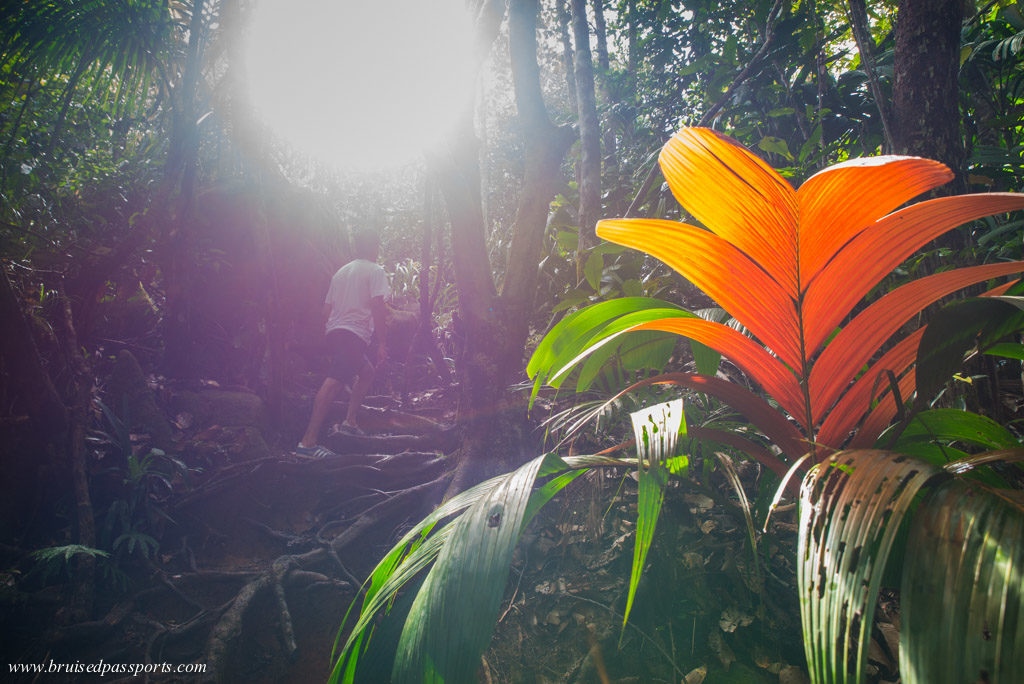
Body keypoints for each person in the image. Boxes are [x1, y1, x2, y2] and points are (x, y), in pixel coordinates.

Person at [296, 230, 388, 458]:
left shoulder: (340, 273)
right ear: (375, 247)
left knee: (367, 372)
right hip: (352, 335)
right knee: (333, 384)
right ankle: (307, 443)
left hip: (336, 333)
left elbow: (325, 310)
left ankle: (350, 421)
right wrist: (382, 342)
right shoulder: (375, 271)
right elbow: (378, 306)